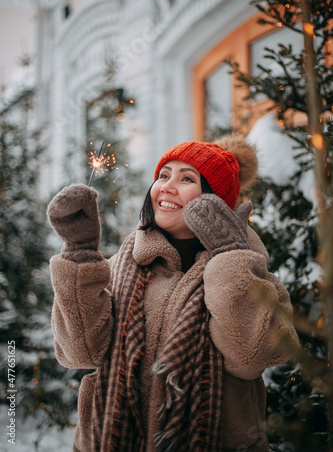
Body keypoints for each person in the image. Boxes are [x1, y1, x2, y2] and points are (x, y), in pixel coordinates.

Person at [47, 135, 299, 452]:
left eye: (186, 178)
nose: (166, 186)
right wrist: (80, 253)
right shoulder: (121, 266)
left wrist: (230, 256)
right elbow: (79, 352)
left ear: (215, 200)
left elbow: (251, 357)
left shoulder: (250, 272)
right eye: (163, 175)